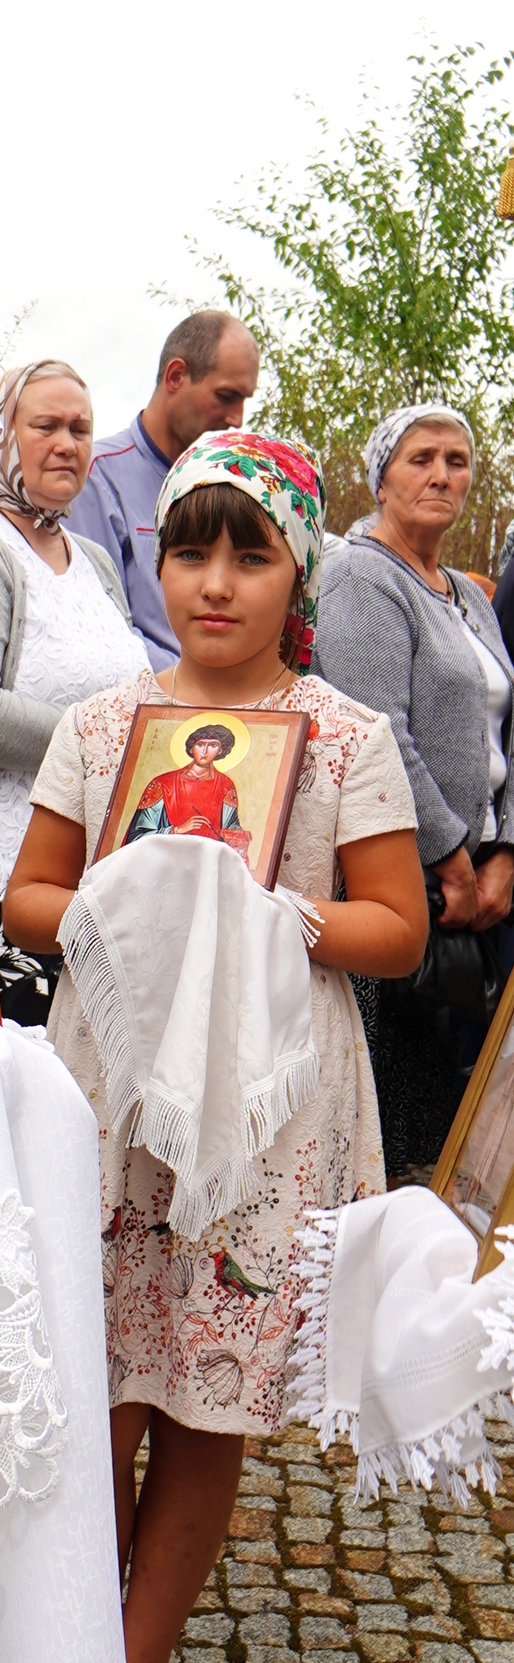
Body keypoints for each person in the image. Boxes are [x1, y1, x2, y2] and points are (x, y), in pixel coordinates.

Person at [3, 430, 427, 1663]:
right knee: (102, 1377)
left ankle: (128, 1656)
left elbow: (395, 927)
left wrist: (263, 914)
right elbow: (28, 894)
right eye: (192, 551)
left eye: (250, 555)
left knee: (208, 1387)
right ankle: (61, 1633)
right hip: (113, 1090)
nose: (217, 583)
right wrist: (131, 893)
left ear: (295, 573)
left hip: (265, 1105)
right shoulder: (101, 721)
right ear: (160, 565)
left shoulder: (344, 735)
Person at [313, 404, 514, 1175]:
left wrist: (504, 852)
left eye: (456, 460)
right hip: (409, 876)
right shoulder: (361, 576)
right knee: (405, 1105)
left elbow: (507, 731)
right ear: (382, 476)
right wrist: (450, 852)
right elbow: (376, 729)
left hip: (481, 884)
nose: (441, 474)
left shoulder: (465, 591)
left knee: (462, 1113)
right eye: (420, 458)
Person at [0, 360, 149, 1023]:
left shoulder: (94, 559)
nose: (68, 444)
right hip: (7, 879)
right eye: (45, 425)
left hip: (102, 876)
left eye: (81, 428)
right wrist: (113, 749)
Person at [70, 312, 260, 667]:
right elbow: (102, 629)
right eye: (226, 396)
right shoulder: (97, 479)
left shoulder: (232, 485)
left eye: (244, 400)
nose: (237, 418)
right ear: (176, 376)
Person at [123, 723, 252, 864]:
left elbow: (230, 827)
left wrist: (240, 837)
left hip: (207, 862)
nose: (205, 751)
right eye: (200, 744)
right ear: (191, 748)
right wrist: (177, 829)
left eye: (213, 745)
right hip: (166, 862)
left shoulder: (226, 786)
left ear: (221, 751)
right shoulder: (163, 784)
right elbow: (136, 837)